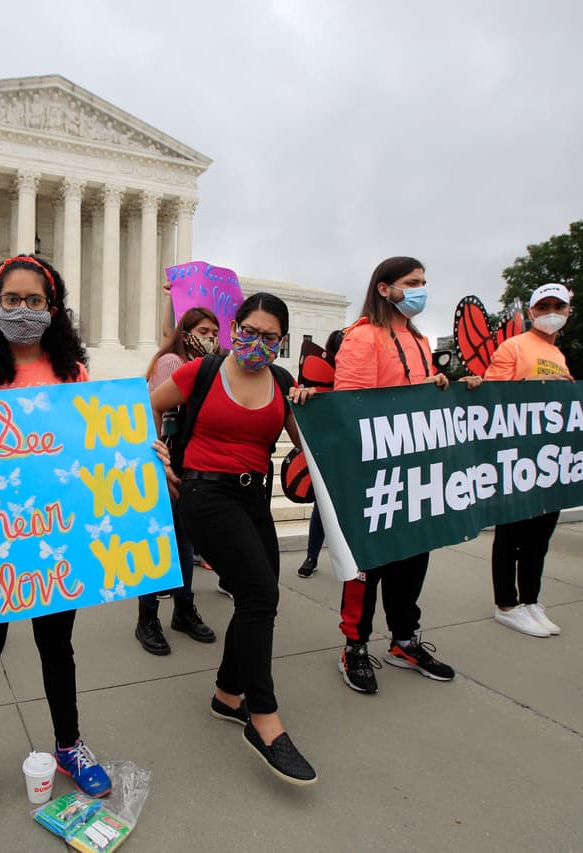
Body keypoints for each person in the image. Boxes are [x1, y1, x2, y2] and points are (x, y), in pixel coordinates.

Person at [0, 254, 112, 832]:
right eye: (11, 300)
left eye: (34, 301)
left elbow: (95, 440)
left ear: (53, 309)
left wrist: (141, 450)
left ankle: (69, 744)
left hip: (52, 535)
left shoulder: (72, 373)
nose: (22, 310)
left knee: (56, 645)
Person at [151, 292, 320, 786]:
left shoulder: (282, 382)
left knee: (258, 598)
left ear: (282, 341)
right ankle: (264, 718)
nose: (257, 342)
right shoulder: (201, 372)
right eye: (249, 332)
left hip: (254, 497)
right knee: (260, 595)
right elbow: (144, 407)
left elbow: (310, 440)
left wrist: (309, 405)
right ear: (234, 329)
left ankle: (228, 695)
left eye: (270, 336)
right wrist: (157, 458)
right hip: (204, 494)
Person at [332, 256, 480, 694]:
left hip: (417, 474)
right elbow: (352, 407)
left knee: (413, 559)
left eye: (423, 282)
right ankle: (354, 647)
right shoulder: (362, 337)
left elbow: (421, 397)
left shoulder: (417, 338)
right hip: (374, 475)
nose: (420, 289)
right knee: (367, 565)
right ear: (384, 288)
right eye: (412, 282)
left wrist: (449, 386)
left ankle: (404, 641)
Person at [483, 283, 574, 638]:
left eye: (558, 306)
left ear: (568, 311)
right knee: (512, 533)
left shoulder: (559, 355)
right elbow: (491, 396)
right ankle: (506, 604)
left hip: (550, 456)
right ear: (532, 311)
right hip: (517, 455)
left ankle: (531, 600)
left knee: (540, 535)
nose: (551, 312)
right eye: (544, 306)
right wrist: (534, 384)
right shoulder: (514, 347)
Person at [133, 307, 220, 656]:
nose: (211, 338)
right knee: (159, 545)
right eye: (204, 331)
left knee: (184, 544)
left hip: (191, 467)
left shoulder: (208, 367)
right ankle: (147, 617)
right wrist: (159, 464)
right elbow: (155, 411)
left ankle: (183, 609)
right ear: (186, 334)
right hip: (168, 464)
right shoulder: (172, 363)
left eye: (215, 332)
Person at [297, 328, 346, 579]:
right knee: (322, 506)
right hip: (331, 449)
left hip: (354, 449)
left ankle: (346, 557)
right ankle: (312, 555)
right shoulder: (324, 377)